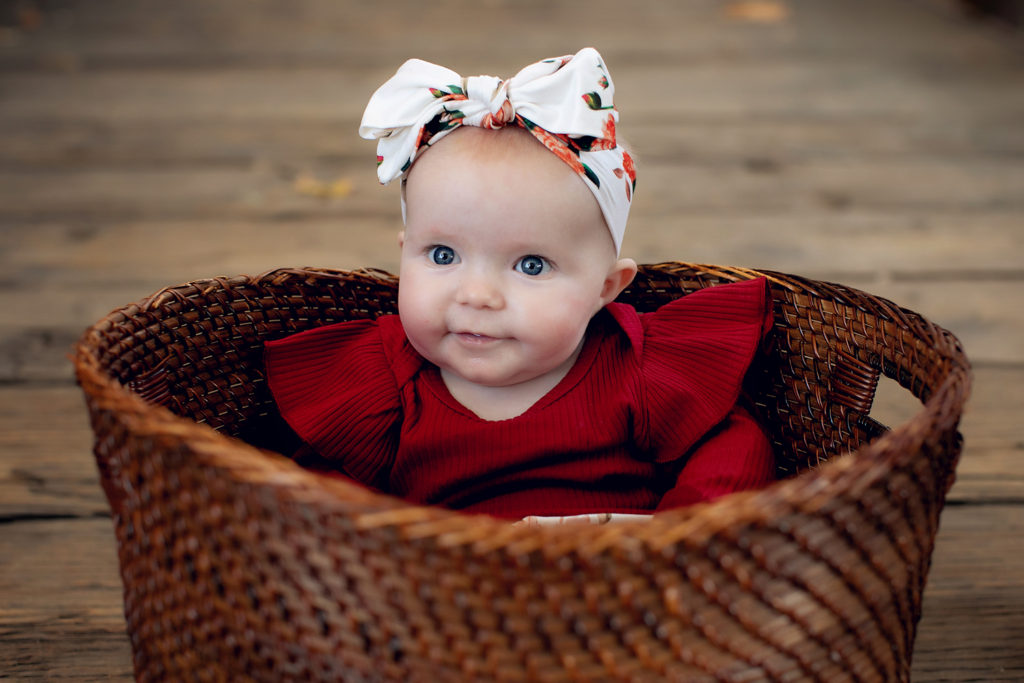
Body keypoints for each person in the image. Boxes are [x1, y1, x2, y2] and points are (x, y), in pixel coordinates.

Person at [264, 47, 775, 522]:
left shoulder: (635, 367)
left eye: (531, 266)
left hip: (622, 586)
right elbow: (320, 490)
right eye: (443, 256)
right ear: (404, 256)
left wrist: (683, 534)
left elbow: (732, 446)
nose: (477, 295)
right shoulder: (387, 386)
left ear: (605, 289)